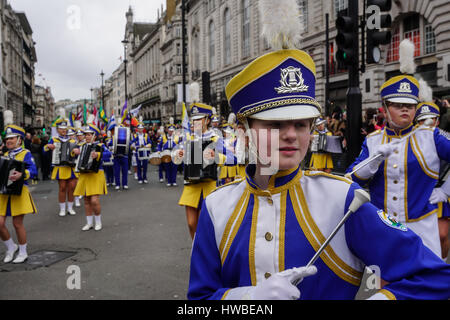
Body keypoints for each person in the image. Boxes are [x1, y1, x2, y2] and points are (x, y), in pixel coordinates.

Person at [187, 46, 450, 300]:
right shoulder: (216, 206)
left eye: (301, 124)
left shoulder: (342, 199)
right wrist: (247, 297)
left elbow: (433, 274)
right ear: (243, 132)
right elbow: (199, 298)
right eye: (275, 124)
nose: (291, 134)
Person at [346, 75, 450, 259]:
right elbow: (350, 178)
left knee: (424, 282)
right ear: (385, 110)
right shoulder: (373, 140)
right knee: (385, 283)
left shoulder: (430, 136)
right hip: (383, 229)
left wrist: (446, 191)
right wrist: (375, 159)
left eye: (410, 106)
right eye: (397, 105)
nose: (404, 109)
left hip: (422, 229)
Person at [414, 101, 450, 259]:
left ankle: (441, 266)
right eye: (422, 119)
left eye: (431, 119)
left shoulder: (445, 137)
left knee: (441, 235)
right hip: (418, 193)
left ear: (437, 120)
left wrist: (445, 190)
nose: (426, 123)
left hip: (440, 191)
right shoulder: (410, 138)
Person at [0, 116, 38, 263]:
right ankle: (11, 247)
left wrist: (23, 174)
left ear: (19, 139)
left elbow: (33, 171)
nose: (8, 141)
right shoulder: (4, 155)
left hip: (19, 192)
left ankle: (23, 251)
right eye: (6, 139)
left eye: (12, 138)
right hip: (3, 194)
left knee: (17, 223)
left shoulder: (25, 154)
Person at [73, 124, 111, 231]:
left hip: (96, 174)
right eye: (86, 135)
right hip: (84, 175)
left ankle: (98, 221)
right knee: (86, 200)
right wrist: (74, 153)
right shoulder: (81, 146)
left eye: (89, 134)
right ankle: (89, 223)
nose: (87, 137)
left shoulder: (100, 145)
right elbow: (75, 156)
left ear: (94, 136)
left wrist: (98, 155)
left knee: (94, 200)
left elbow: (109, 154)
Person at [44, 119, 80, 216]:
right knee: (62, 188)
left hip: (71, 167)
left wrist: (77, 152)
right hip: (60, 167)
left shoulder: (73, 140)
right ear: (57, 129)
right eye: (61, 128)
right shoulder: (54, 140)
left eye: (65, 128)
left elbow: (76, 155)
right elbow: (45, 151)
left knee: (71, 188)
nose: (63, 130)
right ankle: (62, 209)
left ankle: (70, 208)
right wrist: (48, 147)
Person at [158, 119, 179, 187]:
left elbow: (180, 145)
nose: (171, 132)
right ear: (168, 130)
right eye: (170, 131)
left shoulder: (177, 137)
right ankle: (169, 181)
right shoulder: (164, 137)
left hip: (174, 153)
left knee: (174, 168)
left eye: (172, 131)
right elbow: (160, 145)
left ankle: (174, 181)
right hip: (166, 153)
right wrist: (159, 150)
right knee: (168, 168)